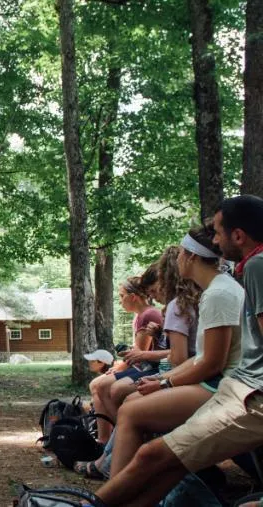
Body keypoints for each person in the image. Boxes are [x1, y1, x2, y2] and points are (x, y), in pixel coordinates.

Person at [95, 195, 263, 507]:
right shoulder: (223, 286)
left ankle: (111, 489)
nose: (175, 261)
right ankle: (116, 489)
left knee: (134, 413)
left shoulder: (228, 287)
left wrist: (164, 382)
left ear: (191, 257)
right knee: (138, 414)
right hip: (233, 384)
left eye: (218, 232)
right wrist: (162, 382)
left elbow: (210, 362)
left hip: (234, 388)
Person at [90, 271, 163, 443]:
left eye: (122, 296)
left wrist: (119, 367)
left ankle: (126, 435)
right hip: (144, 364)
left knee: (102, 385)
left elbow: (140, 353)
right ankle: (105, 438)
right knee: (97, 384)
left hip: (151, 366)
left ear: (133, 297)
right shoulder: (140, 317)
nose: (120, 300)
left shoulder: (149, 314)